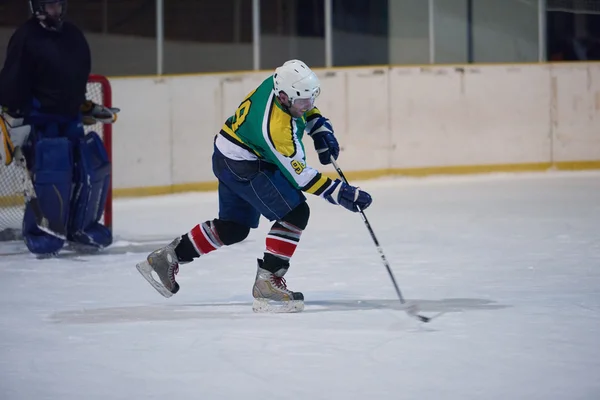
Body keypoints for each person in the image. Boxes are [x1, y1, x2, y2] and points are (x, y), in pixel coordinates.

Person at [136, 60, 372, 313]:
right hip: (245, 165)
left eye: (311, 99)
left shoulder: (279, 82)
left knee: (234, 228)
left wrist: (319, 127)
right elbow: (302, 179)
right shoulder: (276, 129)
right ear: (283, 97)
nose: (308, 106)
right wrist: (341, 193)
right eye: (303, 102)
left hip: (229, 154)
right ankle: (267, 284)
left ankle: (166, 259)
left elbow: (305, 105)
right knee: (295, 213)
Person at [0, 0, 118, 256]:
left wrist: (83, 105)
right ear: (38, 7)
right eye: (51, 6)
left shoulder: (72, 35)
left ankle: (81, 228)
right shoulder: (26, 37)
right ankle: (43, 233)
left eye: (59, 5)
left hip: (71, 118)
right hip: (41, 121)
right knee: (51, 173)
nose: (57, 10)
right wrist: (13, 119)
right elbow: (13, 82)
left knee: (88, 171)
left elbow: (76, 76)